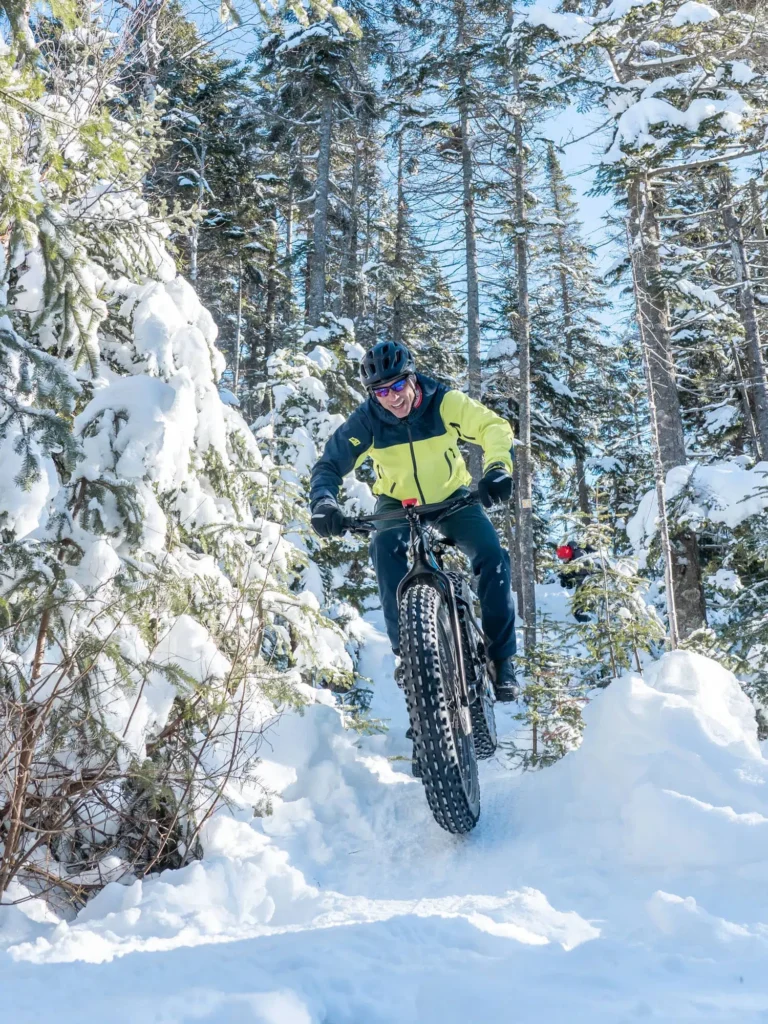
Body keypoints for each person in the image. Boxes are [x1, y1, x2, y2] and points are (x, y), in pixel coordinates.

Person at [309, 340, 519, 702]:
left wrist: (498, 469)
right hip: (398, 502)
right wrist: (324, 502)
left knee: (492, 555)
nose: (392, 397)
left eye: (397, 386)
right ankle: (408, 656)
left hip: (452, 498)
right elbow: (329, 464)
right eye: (381, 391)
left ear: (412, 378)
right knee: (384, 545)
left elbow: (493, 428)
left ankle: (502, 660)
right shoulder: (367, 421)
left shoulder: (443, 402)